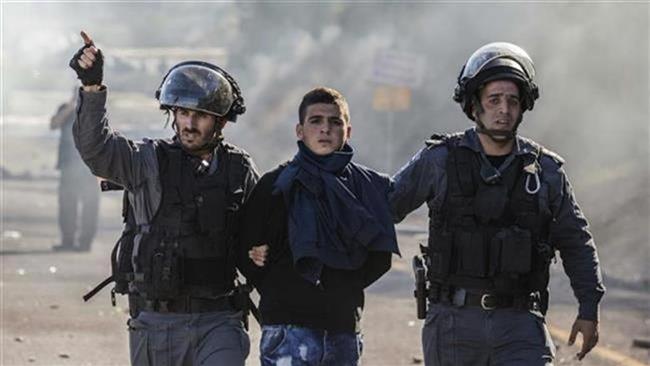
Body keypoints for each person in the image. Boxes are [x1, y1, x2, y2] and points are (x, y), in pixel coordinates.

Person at [389, 42, 605, 365]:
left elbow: (577, 242)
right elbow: (385, 207)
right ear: (475, 106)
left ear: (522, 107)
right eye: (494, 100)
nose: (503, 109)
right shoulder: (439, 161)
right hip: (453, 325)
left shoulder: (544, 172)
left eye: (512, 101)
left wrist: (589, 309)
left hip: (520, 327)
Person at [69, 31, 258, 365]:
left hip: (219, 321)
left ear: (220, 121)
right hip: (157, 324)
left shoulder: (238, 168)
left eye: (200, 115)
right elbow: (96, 149)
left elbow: (265, 231)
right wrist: (92, 87)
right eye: (182, 113)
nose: (189, 122)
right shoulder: (147, 161)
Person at [240, 87, 400, 366]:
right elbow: (243, 246)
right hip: (287, 328)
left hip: (342, 328)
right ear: (300, 131)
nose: (325, 129)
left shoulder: (367, 187)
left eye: (334, 122)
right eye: (316, 121)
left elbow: (379, 257)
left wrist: (342, 287)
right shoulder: (276, 185)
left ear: (347, 131)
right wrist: (280, 289)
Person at [50, 90, 99, 252]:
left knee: (89, 205)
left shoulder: (94, 109)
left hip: (89, 167)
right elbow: (54, 124)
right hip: (68, 165)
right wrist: (71, 106)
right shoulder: (65, 108)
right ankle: (67, 241)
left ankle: (85, 243)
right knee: (66, 205)